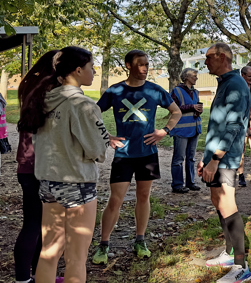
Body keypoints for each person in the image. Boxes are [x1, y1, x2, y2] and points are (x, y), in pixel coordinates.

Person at [20, 47, 123, 283]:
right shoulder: (84, 105)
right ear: (78, 70)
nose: (94, 72)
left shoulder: (42, 100)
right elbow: (97, 149)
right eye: (91, 67)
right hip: (77, 183)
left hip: (47, 183)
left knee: (49, 251)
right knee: (76, 257)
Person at [92, 50, 182, 264]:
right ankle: (103, 244)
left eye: (147, 64)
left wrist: (164, 131)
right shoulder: (115, 91)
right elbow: (92, 114)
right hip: (123, 154)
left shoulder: (154, 90)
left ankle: (140, 240)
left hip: (147, 153)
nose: (145, 68)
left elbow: (176, 111)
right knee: (116, 200)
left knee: (143, 197)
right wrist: (107, 137)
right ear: (128, 65)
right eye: (140, 64)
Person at [198, 43, 251, 283]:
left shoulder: (235, 84)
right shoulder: (224, 83)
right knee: (217, 201)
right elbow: (217, 125)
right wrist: (205, 158)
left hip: (225, 157)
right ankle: (230, 254)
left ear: (222, 57)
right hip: (214, 157)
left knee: (227, 204)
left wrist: (215, 160)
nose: (205, 62)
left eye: (208, 57)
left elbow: (233, 127)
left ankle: (242, 266)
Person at [14, 50, 58, 283]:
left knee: (36, 221)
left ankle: (36, 276)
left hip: (27, 163)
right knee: (35, 223)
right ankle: (24, 278)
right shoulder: (50, 88)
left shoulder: (31, 84)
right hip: (40, 164)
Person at [170, 68, 204, 193]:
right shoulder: (176, 91)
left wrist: (198, 110)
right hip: (181, 129)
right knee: (179, 159)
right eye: (194, 76)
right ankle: (177, 185)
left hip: (194, 128)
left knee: (191, 158)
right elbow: (173, 108)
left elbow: (195, 107)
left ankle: (190, 182)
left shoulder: (196, 91)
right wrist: (191, 107)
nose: (196, 78)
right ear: (186, 77)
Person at [236, 66, 251, 188]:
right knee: (241, 149)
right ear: (243, 75)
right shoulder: (238, 88)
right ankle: (241, 174)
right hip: (241, 122)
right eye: (250, 76)